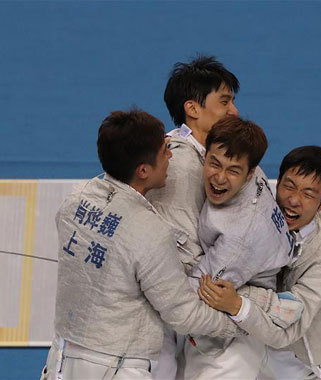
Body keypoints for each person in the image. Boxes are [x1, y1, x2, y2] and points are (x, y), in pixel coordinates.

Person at [40, 109, 243, 380]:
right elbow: (183, 314)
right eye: (164, 151)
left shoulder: (75, 199)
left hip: (61, 360)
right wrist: (241, 320)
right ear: (144, 170)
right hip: (116, 368)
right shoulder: (149, 231)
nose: (171, 155)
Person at [200, 145, 321, 379]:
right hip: (268, 359)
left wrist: (237, 303)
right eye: (289, 186)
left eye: (308, 194)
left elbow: (287, 331)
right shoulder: (262, 215)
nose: (294, 200)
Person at [180, 116, 297, 380]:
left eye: (233, 170)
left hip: (229, 345)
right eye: (214, 163)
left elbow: (197, 292)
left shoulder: (240, 237)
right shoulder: (248, 165)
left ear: (250, 172)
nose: (219, 178)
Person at [145, 55, 239, 379]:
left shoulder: (201, 158)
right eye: (225, 102)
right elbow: (180, 257)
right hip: (154, 322)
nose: (234, 112)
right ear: (193, 108)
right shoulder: (181, 166)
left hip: (174, 316)